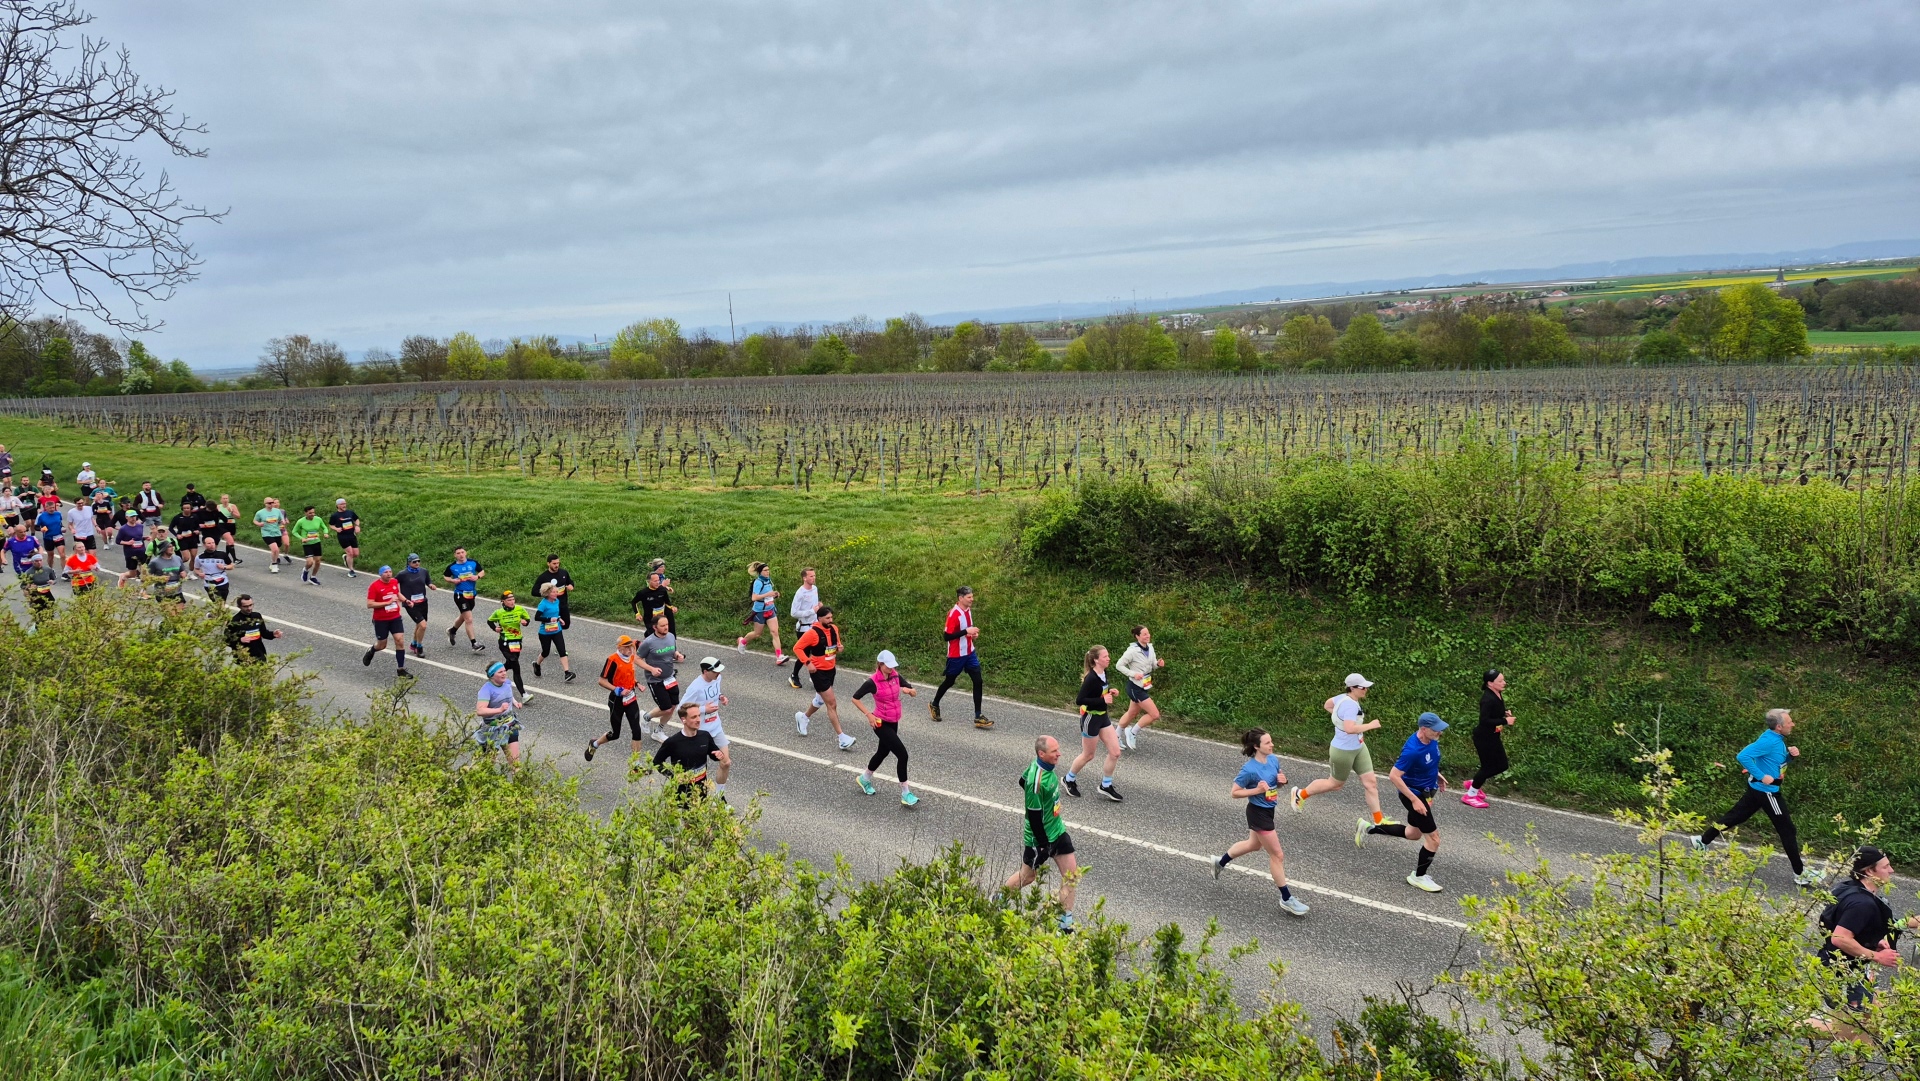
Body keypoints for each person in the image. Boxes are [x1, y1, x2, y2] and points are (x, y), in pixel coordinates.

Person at [1692, 709, 1822, 887]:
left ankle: (1702, 841)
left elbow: (1776, 762)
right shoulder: (1769, 741)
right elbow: (1743, 756)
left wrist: (1789, 757)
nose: (1793, 724)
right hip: (1767, 792)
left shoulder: (1776, 739)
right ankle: (1800, 874)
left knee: (1735, 817)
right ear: (1779, 726)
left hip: (1757, 789)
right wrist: (1761, 776)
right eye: (1789, 722)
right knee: (1787, 830)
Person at [1810, 846, 1917, 1036]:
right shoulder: (1862, 904)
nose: (1891, 870)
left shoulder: (1851, 889)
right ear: (1869, 871)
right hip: (1843, 974)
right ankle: (1774, 1026)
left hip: (1850, 969)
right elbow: (1839, 938)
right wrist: (1877, 956)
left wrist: (1872, 940)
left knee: (1869, 1021)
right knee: (1849, 1031)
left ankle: (1858, 1064)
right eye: (1886, 866)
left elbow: (1846, 926)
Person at [1213, 728, 1310, 917]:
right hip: (1257, 813)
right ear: (1257, 747)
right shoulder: (1249, 769)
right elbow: (1235, 792)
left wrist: (1283, 781)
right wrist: (1256, 790)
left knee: (1253, 845)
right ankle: (1286, 898)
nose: (1272, 744)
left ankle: (1220, 862)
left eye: (1271, 741)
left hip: (1269, 809)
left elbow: (1275, 784)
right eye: (1267, 743)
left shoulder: (1273, 760)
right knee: (1277, 855)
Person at [1359, 712, 1450, 893]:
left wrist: (1436, 775)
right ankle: (1418, 877)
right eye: (1436, 730)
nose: (1440, 732)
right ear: (1423, 729)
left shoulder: (1430, 740)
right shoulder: (1412, 750)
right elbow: (1394, 775)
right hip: (1415, 796)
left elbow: (1428, 761)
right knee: (1433, 840)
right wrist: (1415, 800)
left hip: (1425, 792)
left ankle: (1369, 828)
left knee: (1413, 834)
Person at [1291, 674, 1393, 827]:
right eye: (1362, 687)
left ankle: (1379, 821)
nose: (1366, 689)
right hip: (1342, 751)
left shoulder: (1343, 698)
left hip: (1359, 746)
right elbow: (1349, 728)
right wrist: (1370, 725)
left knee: (1370, 782)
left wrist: (1340, 717)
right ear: (1352, 688)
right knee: (1335, 784)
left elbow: (1327, 705)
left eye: (1366, 686)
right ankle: (1300, 794)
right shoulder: (1350, 705)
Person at [1003, 735, 1079, 932]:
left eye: (1058, 749)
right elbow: (1034, 816)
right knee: (1028, 877)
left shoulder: (1038, 767)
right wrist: (1045, 845)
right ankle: (997, 900)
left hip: (1057, 831)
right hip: (1039, 838)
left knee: (1072, 876)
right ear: (1041, 754)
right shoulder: (1036, 782)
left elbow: (1021, 780)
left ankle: (1065, 926)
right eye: (1054, 752)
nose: (1059, 754)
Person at [850, 649, 920, 805]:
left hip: (894, 720)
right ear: (880, 664)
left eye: (892, 666)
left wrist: (910, 691)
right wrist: (869, 715)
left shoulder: (895, 675)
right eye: (888, 666)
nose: (891, 668)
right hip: (880, 723)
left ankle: (864, 778)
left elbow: (911, 689)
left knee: (882, 752)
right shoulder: (872, 682)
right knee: (903, 755)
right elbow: (855, 698)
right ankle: (905, 793)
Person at [1064, 645, 1123, 801]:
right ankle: (1068, 779)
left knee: (1115, 752)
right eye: (1105, 657)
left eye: (1108, 656)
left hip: (1103, 717)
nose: (1108, 658)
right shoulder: (1091, 678)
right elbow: (1080, 700)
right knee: (1088, 755)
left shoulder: (1104, 673)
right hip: (1091, 719)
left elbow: (1100, 691)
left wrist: (1110, 692)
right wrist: (1102, 699)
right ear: (1096, 660)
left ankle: (1106, 785)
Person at [792, 605, 856, 750]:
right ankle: (842, 738)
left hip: (831, 669)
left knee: (820, 700)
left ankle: (803, 717)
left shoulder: (834, 629)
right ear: (819, 618)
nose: (830, 620)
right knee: (831, 704)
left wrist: (840, 647)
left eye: (831, 617)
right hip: (818, 672)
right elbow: (797, 648)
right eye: (827, 618)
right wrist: (807, 663)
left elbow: (836, 645)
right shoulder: (812, 633)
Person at [931, 585, 991, 729]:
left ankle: (978, 716)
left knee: (978, 681)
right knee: (949, 681)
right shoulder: (953, 614)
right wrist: (966, 631)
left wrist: (972, 634)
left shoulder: (968, 610)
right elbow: (947, 636)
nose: (972, 599)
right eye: (969, 597)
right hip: (956, 655)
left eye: (972, 596)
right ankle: (934, 704)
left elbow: (966, 631)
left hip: (969, 653)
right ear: (961, 598)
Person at [586, 635, 647, 763]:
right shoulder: (612, 660)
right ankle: (595, 744)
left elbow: (628, 674)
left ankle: (636, 763)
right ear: (619, 647)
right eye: (626, 647)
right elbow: (601, 681)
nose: (630, 650)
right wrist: (618, 690)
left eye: (631, 647)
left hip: (631, 698)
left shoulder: (630, 657)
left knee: (636, 730)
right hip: (616, 700)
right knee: (615, 734)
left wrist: (636, 683)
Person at [681, 658, 734, 803]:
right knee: (696, 769)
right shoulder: (695, 687)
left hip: (716, 728)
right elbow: (682, 708)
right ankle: (691, 799)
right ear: (705, 671)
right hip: (700, 733)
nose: (718, 673)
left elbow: (714, 693)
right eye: (715, 671)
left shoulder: (717, 678)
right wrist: (704, 709)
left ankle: (719, 797)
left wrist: (721, 697)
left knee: (726, 763)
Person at [1463, 669, 1515, 808]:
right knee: (1488, 767)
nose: (1504, 683)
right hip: (1484, 738)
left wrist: (1503, 713)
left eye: (1503, 680)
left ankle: (1473, 783)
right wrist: (1505, 721)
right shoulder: (1487, 699)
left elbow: (1493, 712)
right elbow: (1484, 720)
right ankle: (1471, 795)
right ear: (1490, 683)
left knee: (1503, 765)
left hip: (1493, 737)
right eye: (1500, 681)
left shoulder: (1497, 693)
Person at [652, 702, 722, 798]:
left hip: (702, 790)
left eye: (699, 716)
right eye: (693, 717)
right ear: (683, 720)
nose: (698, 720)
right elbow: (657, 762)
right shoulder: (672, 742)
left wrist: (718, 755)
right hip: (681, 793)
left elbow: (713, 753)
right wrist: (672, 777)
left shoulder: (705, 736)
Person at [1115, 624, 1165, 750]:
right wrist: (1133, 674)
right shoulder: (1132, 651)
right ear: (1137, 636)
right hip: (1135, 687)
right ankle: (1132, 732)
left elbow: (1152, 665)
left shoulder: (1150, 648)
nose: (1147, 636)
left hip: (1144, 685)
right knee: (1154, 714)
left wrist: (1158, 664)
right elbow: (1119, 665)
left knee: (1132, 713)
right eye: (1144, 634)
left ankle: (1115, 736)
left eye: (1148, 633)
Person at [359, 565, 413, 679]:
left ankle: (401, 669)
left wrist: (406, 600)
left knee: (400, 641)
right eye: (386, 572)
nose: (389, 574)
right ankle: (372, 650)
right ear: (380, 574)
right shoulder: (374, 586)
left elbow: (397, 593)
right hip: (381, 620)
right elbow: (370, 604)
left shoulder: (394, 582)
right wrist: (387, 603)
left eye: (390, 571)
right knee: (382, 645)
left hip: (395, 617)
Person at [639, 612, 684, 739]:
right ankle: (646, 717)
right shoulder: (648, 642)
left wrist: (677, 655)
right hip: (655, 680)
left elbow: (672, 650)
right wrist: (651, 669)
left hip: (670, 677)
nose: (666, 627)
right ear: (655, 627)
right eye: (663, 625)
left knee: (673, 706)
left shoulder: (670, 636)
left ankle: (658, 732)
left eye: (667, 624)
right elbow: (637, 659)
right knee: (665, 708)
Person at [486, 590, 535, 700]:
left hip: (517, 642)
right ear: (503, 601)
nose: (512, 602)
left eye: (513, 599)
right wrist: (495, 628)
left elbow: (527, 620)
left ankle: (493, 674)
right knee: (515, 666)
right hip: (505, 643)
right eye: (509, 600)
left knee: (510, 663)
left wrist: (525, 622)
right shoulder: (499, 612)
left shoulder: (520, 609)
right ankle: (524, 694)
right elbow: (489, 621)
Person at [474, 662, 524, 766]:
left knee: (515, 764)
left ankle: (518, 781)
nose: (504, 673)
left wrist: (515, 703)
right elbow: (480, 711)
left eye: (504, 671)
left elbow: (508, 694)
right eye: (500, 672)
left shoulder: (507, 683)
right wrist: (499, 710)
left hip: (509, 725)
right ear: (492, 676)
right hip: (492, 729)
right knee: (488, 765)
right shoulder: (486, 690)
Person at [736, 561, 785, 662]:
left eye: (768, 570)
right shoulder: (758, 582)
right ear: (760, 572)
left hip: (770, 609)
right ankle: (743, 641)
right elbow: (754, 597)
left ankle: (779, 657)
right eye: (765, 570)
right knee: (757, 633)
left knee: (775, 632)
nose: (768, 572)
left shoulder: (769, 580)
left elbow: (769, 595)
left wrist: (775, 595)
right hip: (759, 611)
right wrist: (767, 594)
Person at [443, 547, 487, 652]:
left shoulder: (473, 563)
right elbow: (445, 576)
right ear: (455, 555)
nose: (461, 555)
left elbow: (482, 571)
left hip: (471, 594)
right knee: (469, 619)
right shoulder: (452, 567)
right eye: (458, 553)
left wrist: (477, 577)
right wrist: (453, 581)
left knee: (464, 616)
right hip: (460, 594)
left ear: (465, 553)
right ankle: (474, 643)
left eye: (462, 552)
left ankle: (452, 631)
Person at [532, 583, 574, 682]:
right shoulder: (543, 604)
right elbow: (537, 617)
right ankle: (537, 664)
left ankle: (567, 673)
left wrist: (559, 619)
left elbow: (556, 614)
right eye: (554, 592)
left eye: (556, 591)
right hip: (545, 632)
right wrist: (550, 619)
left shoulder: (557, 601)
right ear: (547, 593)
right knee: (545, 652)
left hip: (557, 630)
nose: (556, 593)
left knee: (562, 651)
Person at [394, 553, 434, 657]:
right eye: (414, 562)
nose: (417, 563)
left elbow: (427, 581)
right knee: (423, 625)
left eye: (418, 561)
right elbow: (393, 584)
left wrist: (430, 585)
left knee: (419, 624)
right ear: (409, 563)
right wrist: (397, 595)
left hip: (423, 602)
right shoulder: (403, 574)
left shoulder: (423, 571)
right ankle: (419, 648)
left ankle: (414, 643)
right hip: (410, 604)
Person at [225, 594, 283, 661]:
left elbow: (264, 633)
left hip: (259, 655)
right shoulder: (234, 621)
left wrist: (273, 634)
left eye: (251, 605)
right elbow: (226, 640)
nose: (249, 608)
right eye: (245, 606)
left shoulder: (257, 616)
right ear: (239, 607)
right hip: (244, 657)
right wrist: (239, 640)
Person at [788, 566, 819, 689]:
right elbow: (794, 613)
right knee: (804, 654)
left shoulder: (815, 589)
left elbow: (815, 605)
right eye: (811, 576)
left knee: (817, 651)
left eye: (814, 575)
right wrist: (812, 611)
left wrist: (818, 608)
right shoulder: (800, 593)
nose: (813, 578)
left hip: (815, 625)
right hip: (804, 628)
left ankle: (814, 674)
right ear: (804, 578)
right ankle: (794, 675)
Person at [532, 554, 575, 630]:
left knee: (566, 625)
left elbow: (570, 582)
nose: (556, 565)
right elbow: (534, 591)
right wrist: (548, 593)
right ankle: (554, 638)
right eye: (554, 563)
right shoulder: (543, 577)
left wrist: (571, 586)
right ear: (548, 563)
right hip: (551, 606)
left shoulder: (563, 573)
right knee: (553, 626)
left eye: (558, 563)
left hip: (563, 604)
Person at [630, 567, 675, 637]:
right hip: (649, 619)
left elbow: (667, 602)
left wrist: (672, 607)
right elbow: (634, 602)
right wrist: (637, 614)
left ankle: (647, 634)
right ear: (648, 581)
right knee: (655, 636)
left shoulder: (662, 590)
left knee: (660, 634)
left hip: (660, 618)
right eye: (655, 581)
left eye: (658, 580)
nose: (657, 583)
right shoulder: (643, 593)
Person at [292, 505, 328, 584]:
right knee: (310, 562)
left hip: (316, 542)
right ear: (305, 513)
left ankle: (313, 577)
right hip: (307, 543)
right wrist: (302, 538)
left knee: (318, 561)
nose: (312, 514)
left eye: (313, 513)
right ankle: (305, 570)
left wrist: (325, 533)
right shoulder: (301, 521)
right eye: (310, 513)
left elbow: (324, 527)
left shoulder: (318, 519)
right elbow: (294, 531)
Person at [144, 541, 187, 605]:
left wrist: (184, 574)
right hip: (162, 593)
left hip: (177, 591)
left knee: (179, 614)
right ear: (163, 549)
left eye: (172, 546)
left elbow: (182, 571)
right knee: (171, 614)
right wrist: (159, 578)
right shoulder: (155, 562)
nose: (172, 548)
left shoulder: (177, 558)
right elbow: (146, 577)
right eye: (169, 547)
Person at [328, 498, 362, 577]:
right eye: (342, 504)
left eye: (345, 504)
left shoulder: (350, 512)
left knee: (356, 554)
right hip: (343, 536)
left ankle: (346, 558)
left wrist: (357, 526)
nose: (344, 505)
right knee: (350, 553)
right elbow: (331, 525)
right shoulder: (335, 516)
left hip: (352, 535)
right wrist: (336, 529)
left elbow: (356, 519)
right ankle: (351, 570)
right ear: (337, 505)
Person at [63, 523, 101, 592]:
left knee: (92, 599)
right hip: (78, 583)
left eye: (83, 547)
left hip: (90, 582)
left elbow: (98, 568)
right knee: (82, 600)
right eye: (79, 547)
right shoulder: (72, 559)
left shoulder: (90, 557)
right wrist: (75, 571)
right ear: (75, 549)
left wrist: (95, 568)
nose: (82, 548)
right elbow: (65, 571)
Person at [253, 497, 288, 571]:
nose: (271, 504)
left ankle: (272, 563)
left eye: (272, 502)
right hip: (266, 533)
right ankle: (275, 565)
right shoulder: (260, 512)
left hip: (276, 532)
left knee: (277, 550)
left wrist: (283, 522)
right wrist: (259, 524)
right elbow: (255, 521)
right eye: (269, 503)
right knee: (274, 549)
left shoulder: (277, 511)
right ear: (265, 504)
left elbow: (281, 519)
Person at [194, 536, 233, 601]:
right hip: (209, 583)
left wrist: (224, 567)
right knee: (216, 603)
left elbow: (231, 566)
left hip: (222, 582)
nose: (212, 545)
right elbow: (196, 569)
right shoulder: (199, 557)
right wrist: (199, 573)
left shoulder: (222, 554)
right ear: (204, 545)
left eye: (213, 543)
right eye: (209, 543)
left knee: (221, 602)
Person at [112, 514, 146, 587]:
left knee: (145, 572)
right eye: (131, 517)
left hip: (142, 551)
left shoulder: (140, 526)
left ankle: (143, 592)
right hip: (130, 553)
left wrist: (144, 538)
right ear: (127, 517)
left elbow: (138, 537)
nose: (133, 518)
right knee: (132, 574)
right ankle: (123, 576)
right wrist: (127, 543)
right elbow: (118, 541)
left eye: (134, 516)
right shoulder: (123, 529)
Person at [32, 497, 64, 569]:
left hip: (59, 536)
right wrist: (41, 529)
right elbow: (36, 527)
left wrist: (62, 527)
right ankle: (50, 569)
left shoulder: (58, 513)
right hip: (48, 537)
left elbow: (60, 523)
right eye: (50, 508)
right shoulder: (41, 516)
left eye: (53, 507)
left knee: (62, 555)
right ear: (46, 507)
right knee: (51, 555)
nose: (52, 509)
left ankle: (65, 572)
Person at [210, 494, 241, 565]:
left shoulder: (232, 506)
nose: (225, 500)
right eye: (223, 498)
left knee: (229, 543)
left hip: (231, 524)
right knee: (231, 541)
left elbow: (238, 516)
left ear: (228, 499)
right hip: (222, 525)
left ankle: (225, 558)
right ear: (221, 500)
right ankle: (235, 559)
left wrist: (232, 512)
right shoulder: (218, 507)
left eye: (226, 498)